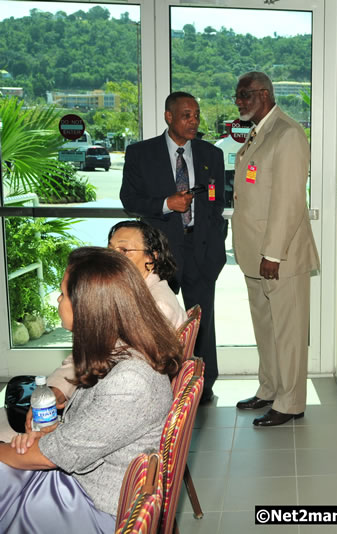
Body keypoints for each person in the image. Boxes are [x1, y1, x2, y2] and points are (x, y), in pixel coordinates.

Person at [0, 247, 182, 533]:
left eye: (63, 294)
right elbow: (85, 433)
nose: (57, 300)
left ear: (87, 307)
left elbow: (52, 456)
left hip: (91, 505)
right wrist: (52, 434)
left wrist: (23, 447)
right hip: (82, 483)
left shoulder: (130, 380)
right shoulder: (121, 349)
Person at [0, 221, 188, 443]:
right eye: (110, 249)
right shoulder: (134, 296)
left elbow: (107, 362)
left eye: (124, 250)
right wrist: (57, 389)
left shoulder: (155, 307)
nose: (113, 256)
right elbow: (97, 349)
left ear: (151, 258)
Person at [120, 91, 226, 402]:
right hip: (160, 252)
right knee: (158, 322)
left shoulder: (211, 155)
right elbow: (130, 200)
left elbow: (217, 201)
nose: (194, 121)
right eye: (186, 115)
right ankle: (160, 385)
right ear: (169, 117)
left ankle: (203, 386)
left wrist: (214, 239)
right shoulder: (141, 154)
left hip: (201, 251)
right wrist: (167, 203)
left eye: (196, 115)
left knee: (202, 322)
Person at [231, 71, 320, 427]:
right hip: (255, 253)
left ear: (264, 94)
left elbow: (288, 200)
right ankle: (269, 388)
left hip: (280, 256)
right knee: (265, 328)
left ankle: (291, 402)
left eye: (244, 95)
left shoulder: (288, 134)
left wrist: (272, 254)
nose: (238, 101)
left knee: (288, 331)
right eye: (237, 95)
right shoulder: (260, 131)